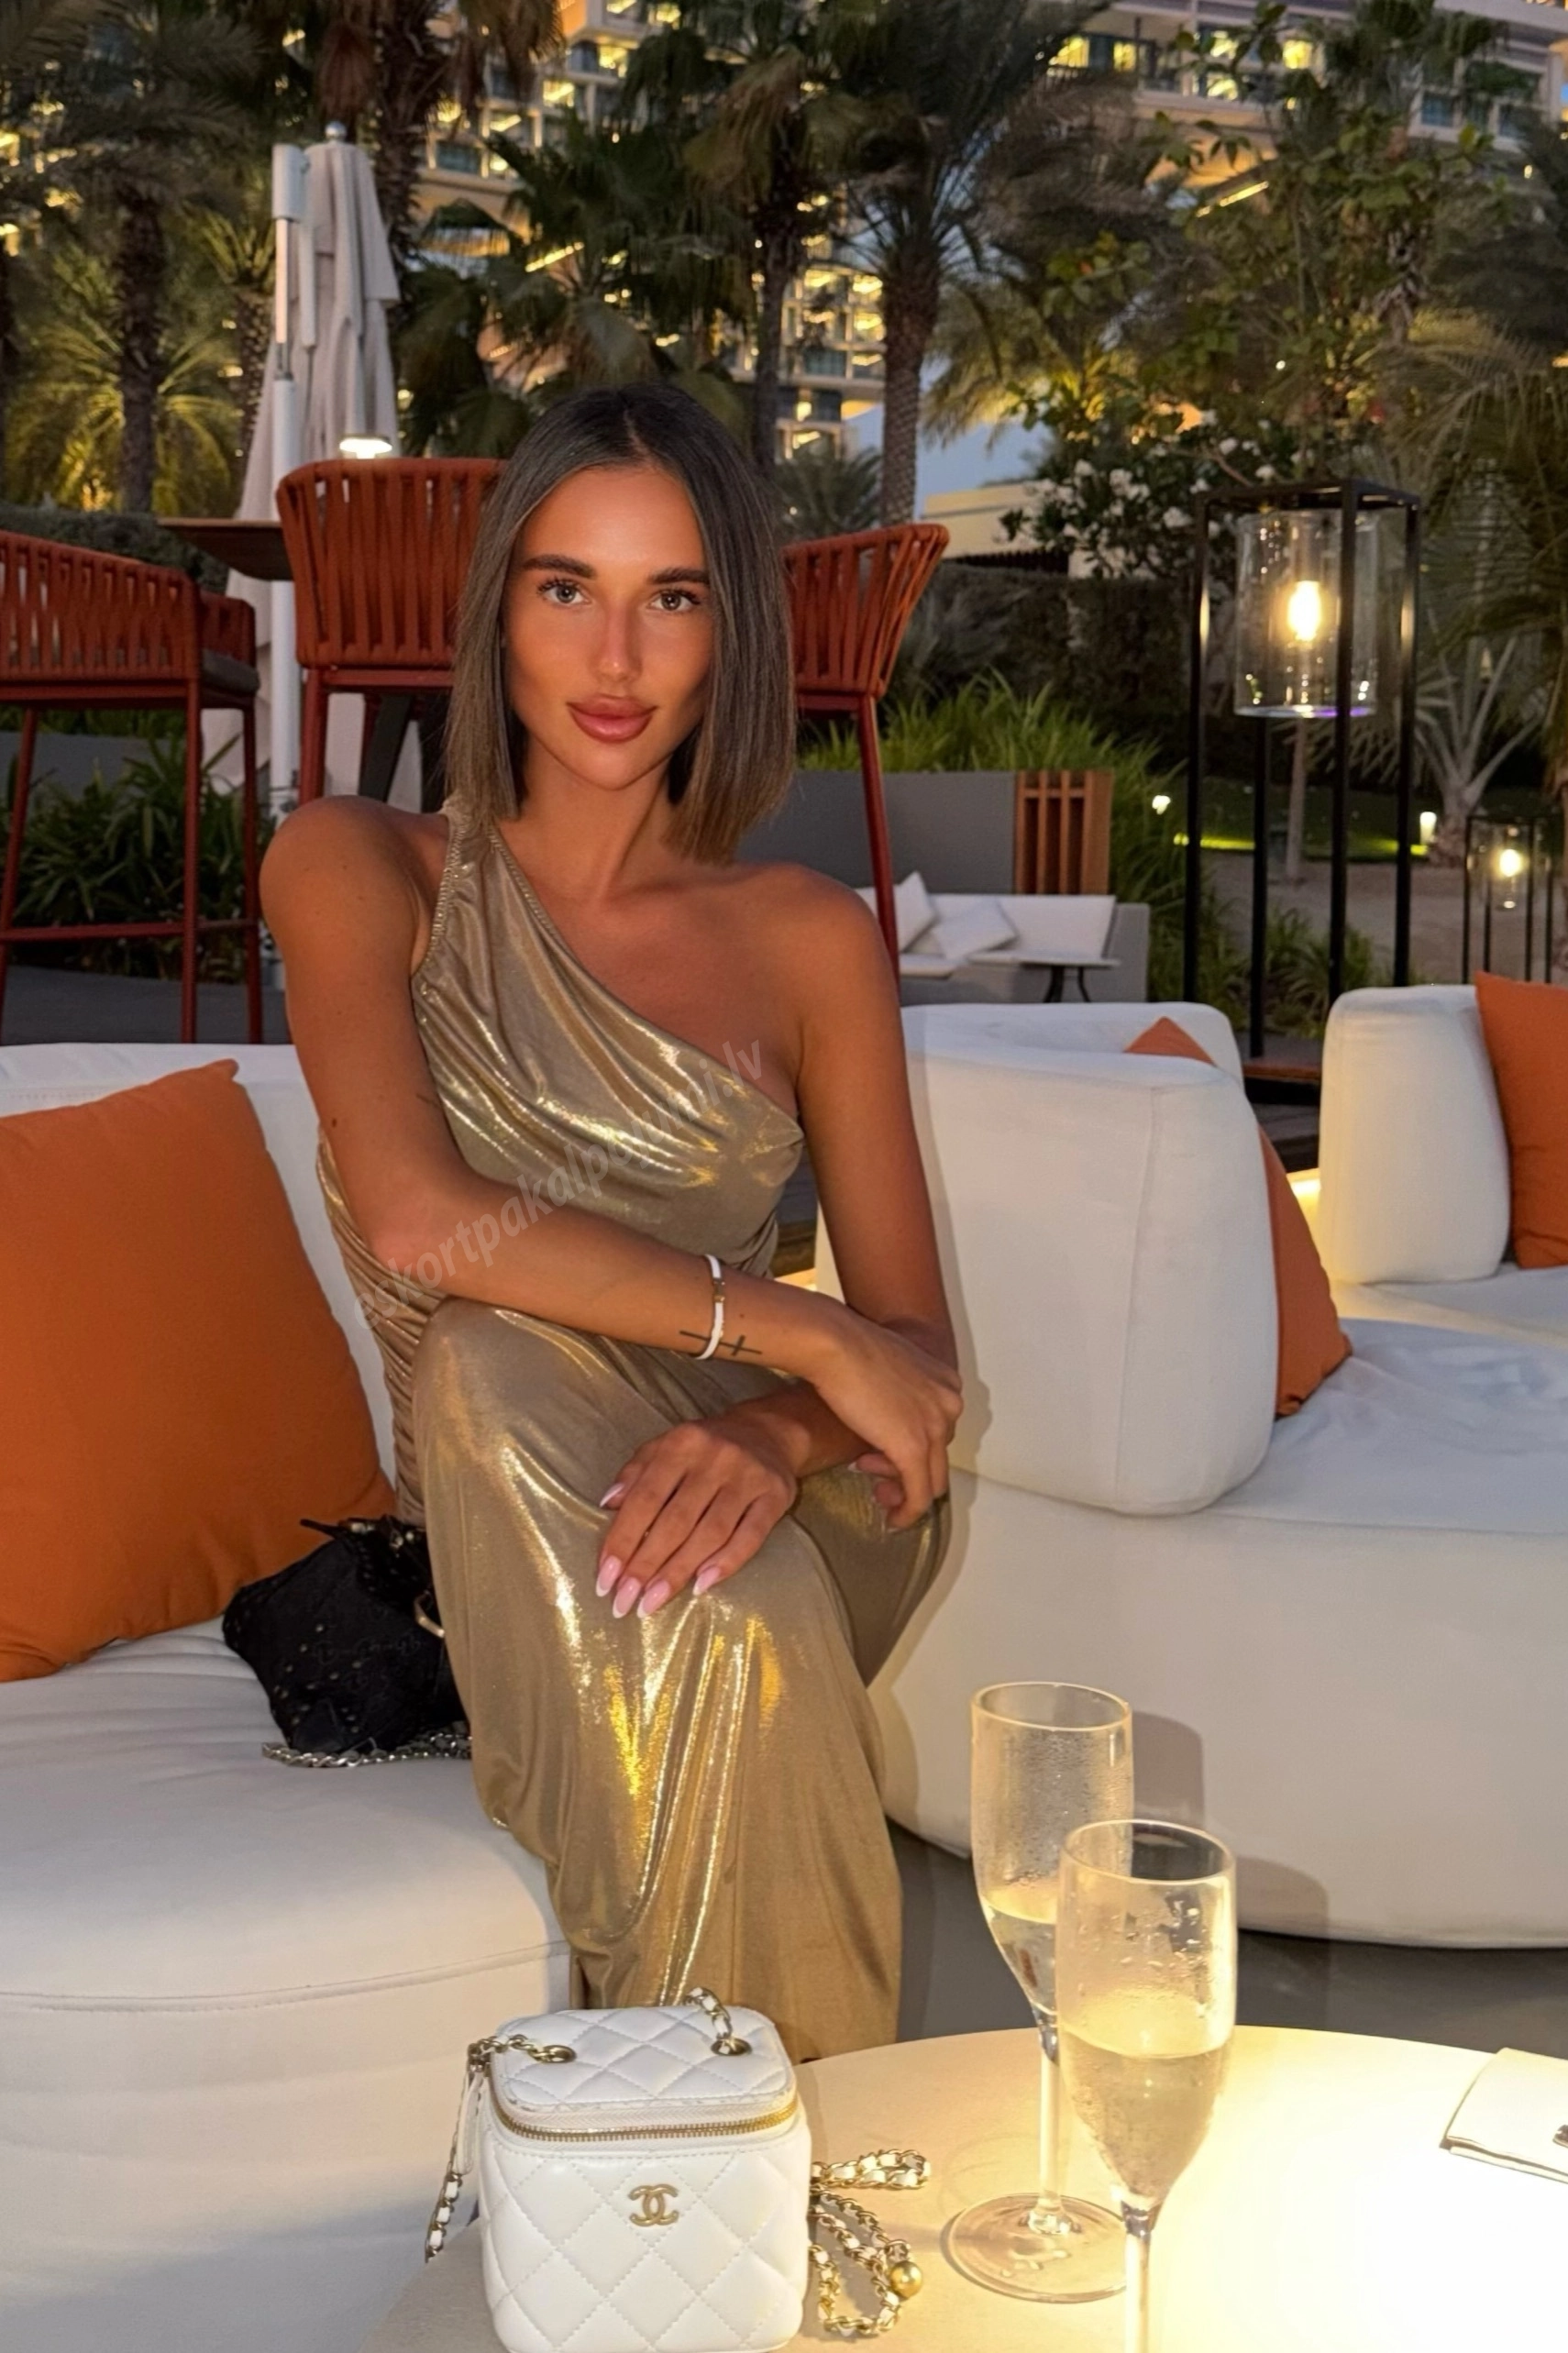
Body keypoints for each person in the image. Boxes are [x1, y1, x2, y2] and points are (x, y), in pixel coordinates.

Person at [262, 385, 962, 2060]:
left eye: (673, 597)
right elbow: (425, 1222)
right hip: (511, 1471)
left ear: (731, 636)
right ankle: (784, 2152)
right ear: (497, 609)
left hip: (789, 1469)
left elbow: (914, 1361)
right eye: (566, 586)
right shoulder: (360, 867)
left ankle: (685, 2161)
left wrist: (777, 1426)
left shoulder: (804, 935)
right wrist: (795, 1331)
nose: (615, 655)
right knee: (499, 1366)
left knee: (734, 1579)